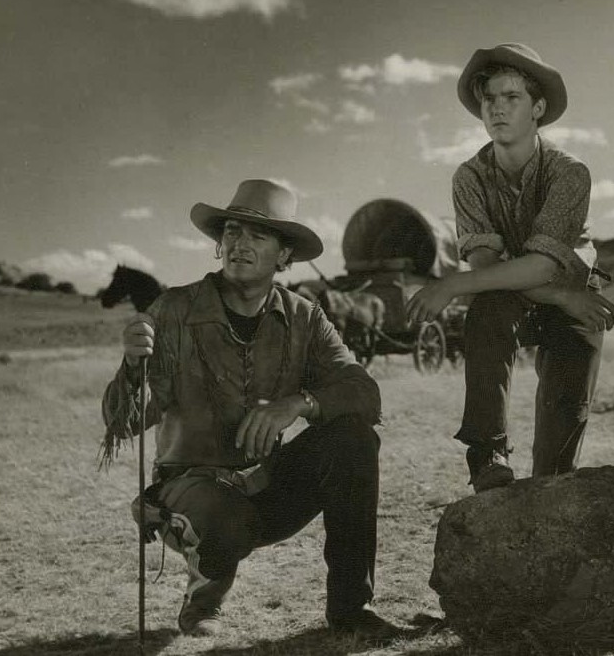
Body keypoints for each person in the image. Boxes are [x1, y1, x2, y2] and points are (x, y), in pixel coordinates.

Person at [101, 179, 401, 642]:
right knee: (223, 513)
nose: (240, 244)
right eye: (232, 233)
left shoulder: (306, 317)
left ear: (284, 256)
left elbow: (363, 391)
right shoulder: (174, 310)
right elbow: (124, 422)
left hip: (267, 486)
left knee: (355, 439)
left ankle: (351, 609)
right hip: (190, 495)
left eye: (258, 236)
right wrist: (131, 366)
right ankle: (203, 603)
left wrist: (298, 404)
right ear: (219, 245)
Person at [406, 43, 614, 494]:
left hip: (575, 303)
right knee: (489, 307)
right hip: (554, 296)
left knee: (557, 459)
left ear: (538, 107)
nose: (497, 109)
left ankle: (549, 487)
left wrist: (454, 284)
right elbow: (486, 266)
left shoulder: (569, 173)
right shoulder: (469, 176)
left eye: (511, 97)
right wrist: (559, 294)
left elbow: (544, 264)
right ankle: (488, 453)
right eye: (489, 99)